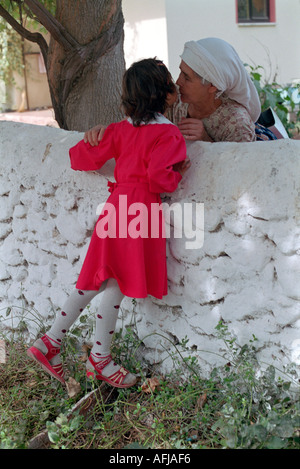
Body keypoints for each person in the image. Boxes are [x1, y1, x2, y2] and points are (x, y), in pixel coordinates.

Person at [27, 59, 190, 389]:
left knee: (104, 277)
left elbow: (79, 158)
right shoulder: (168, 133)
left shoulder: (119, 130)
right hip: (140, 210)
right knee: (109, 279)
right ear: (168, 95)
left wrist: (90, 138)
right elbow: (160, 179)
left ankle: (62, 345)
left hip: (117, 207)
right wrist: (178, 174)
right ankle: (84, 352)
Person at [84, 38, 276, 145]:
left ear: (213, 87)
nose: (177, 81)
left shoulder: (236, 124)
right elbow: (139, 116)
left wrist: (206, 140)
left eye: (187, 77)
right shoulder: (175, 96)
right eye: (180, 72)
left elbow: (238, 176)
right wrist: (105, 133)